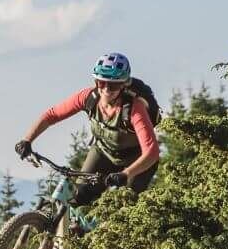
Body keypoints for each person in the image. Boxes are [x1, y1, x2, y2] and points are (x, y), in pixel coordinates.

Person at [13, 52, 160, 207]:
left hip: (137, 160)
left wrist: (126, 174)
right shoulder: (89, 98)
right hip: (104, 152)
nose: (106, 89)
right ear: (96, 82)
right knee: (79, 197)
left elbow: (152, 153)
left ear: (123, 85)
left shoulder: (134, 109)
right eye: (101, 83)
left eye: (114, 85)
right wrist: (27, 140)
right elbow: (52, 115)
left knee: (126, 206)